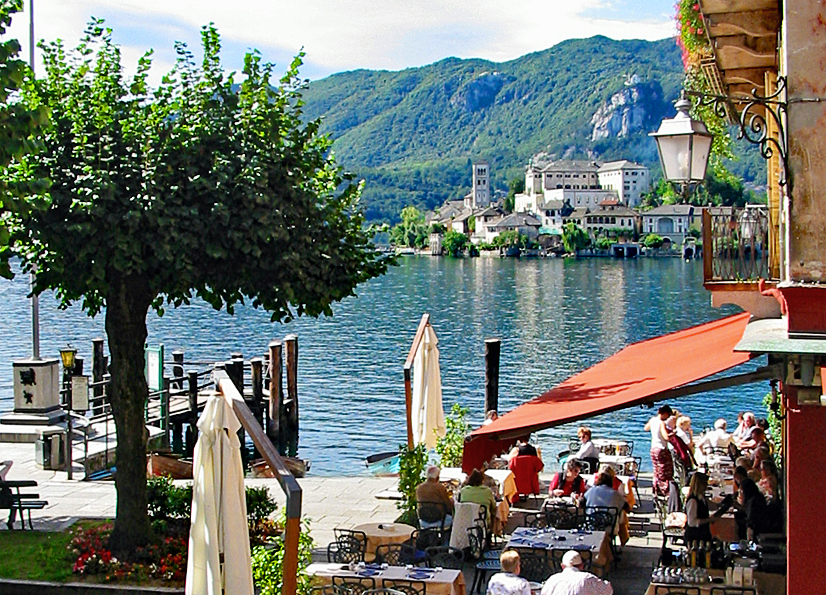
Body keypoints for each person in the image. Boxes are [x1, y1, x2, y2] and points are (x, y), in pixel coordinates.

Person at [540, 550, 613, 595]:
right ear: (582, 566)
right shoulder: (587, 579)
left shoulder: (552, 580)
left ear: (562, 566)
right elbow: (608, 591)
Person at [645, 405, 674, 496]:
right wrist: (673, 433)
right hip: (661, 448)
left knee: (656, 470)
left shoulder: (653, 420)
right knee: (664, 470)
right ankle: (664, 491)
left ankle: (655, 488)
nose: (668, 417)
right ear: (665, 413)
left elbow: (646, 428)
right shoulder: (661, 423)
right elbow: (666, 437)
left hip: (653, 448)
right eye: (668, 415)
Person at [684, 472, 718, 542]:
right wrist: (709, 520)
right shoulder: (693, 501)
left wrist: (721, 505)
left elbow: (711, 506)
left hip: (703, 533)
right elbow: (692, 522)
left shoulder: (701, 497)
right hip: (696, 536)